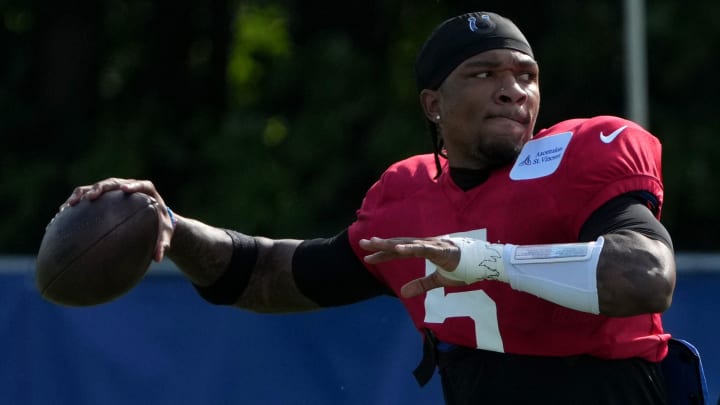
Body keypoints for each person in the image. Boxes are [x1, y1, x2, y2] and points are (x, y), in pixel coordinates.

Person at [64, 11, 676, 404]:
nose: (513, 88)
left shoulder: (582, 156)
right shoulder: (407, 200)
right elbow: (272, 274)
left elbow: (645, 278)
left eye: (525, 75)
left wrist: (486, 261)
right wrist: (173, 226)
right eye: (485, 73)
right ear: (434, 104)